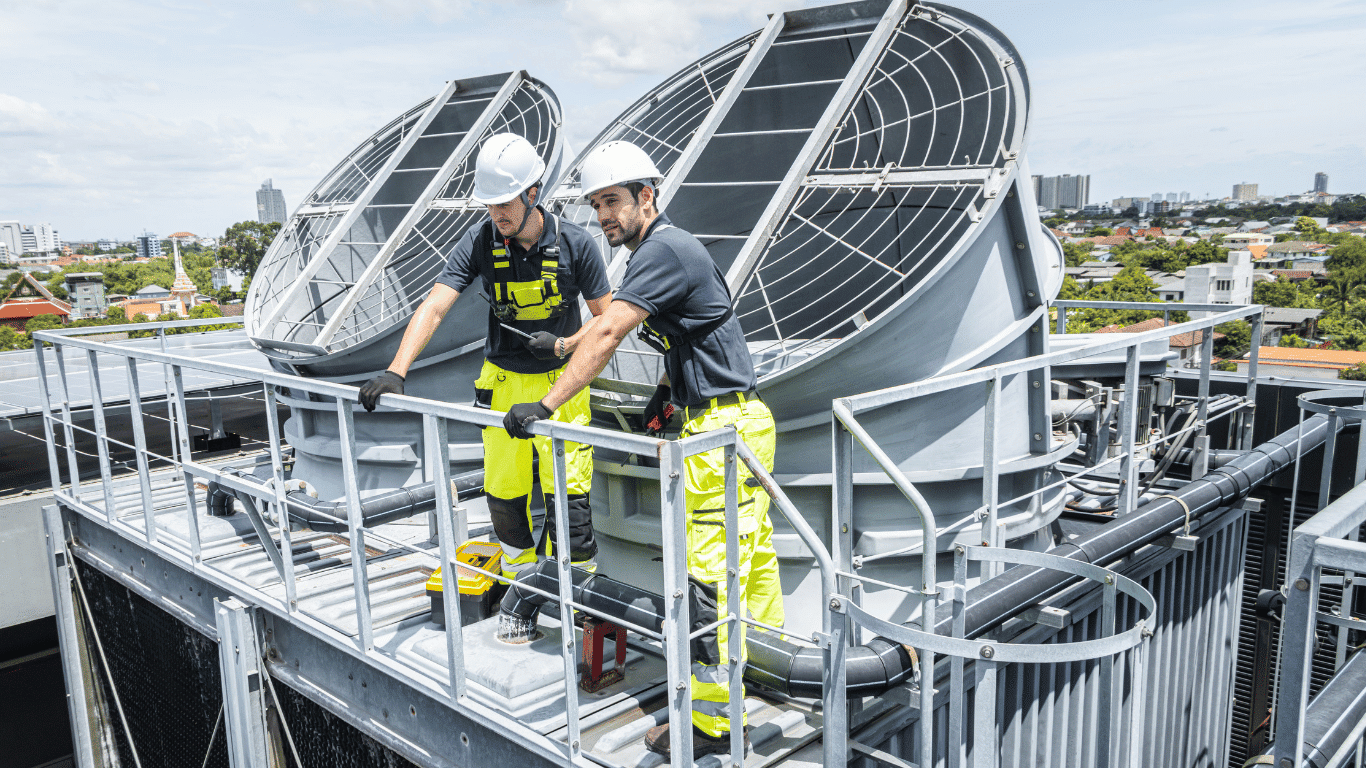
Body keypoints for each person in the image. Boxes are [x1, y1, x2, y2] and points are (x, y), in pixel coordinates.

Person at [501, 140, 782, 758]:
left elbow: (611, 327)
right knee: (750, 565)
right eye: (596, 204)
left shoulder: (664, 249)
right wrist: (662, 396)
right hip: (733, 421)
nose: (603, 216)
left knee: (710, 578)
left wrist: (545, 408)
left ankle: (712, 724)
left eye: (612, 201)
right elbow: (687, 336)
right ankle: (768, 671)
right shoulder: (663, 253)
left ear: (646, 197)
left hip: (722, 431)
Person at [360, 132, 612, 576]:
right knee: (505, 494)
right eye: (489, 205)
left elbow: (608, 318)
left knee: (569, 497)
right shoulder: (480, 242)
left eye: (506, 203)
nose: (497, 214)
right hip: (502, 382)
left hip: (564, 386)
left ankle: (577, 604)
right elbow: (435, 305)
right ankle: (522, 591)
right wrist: (396, 370)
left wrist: (566, 344)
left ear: (533, 194)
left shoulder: (576, 245)